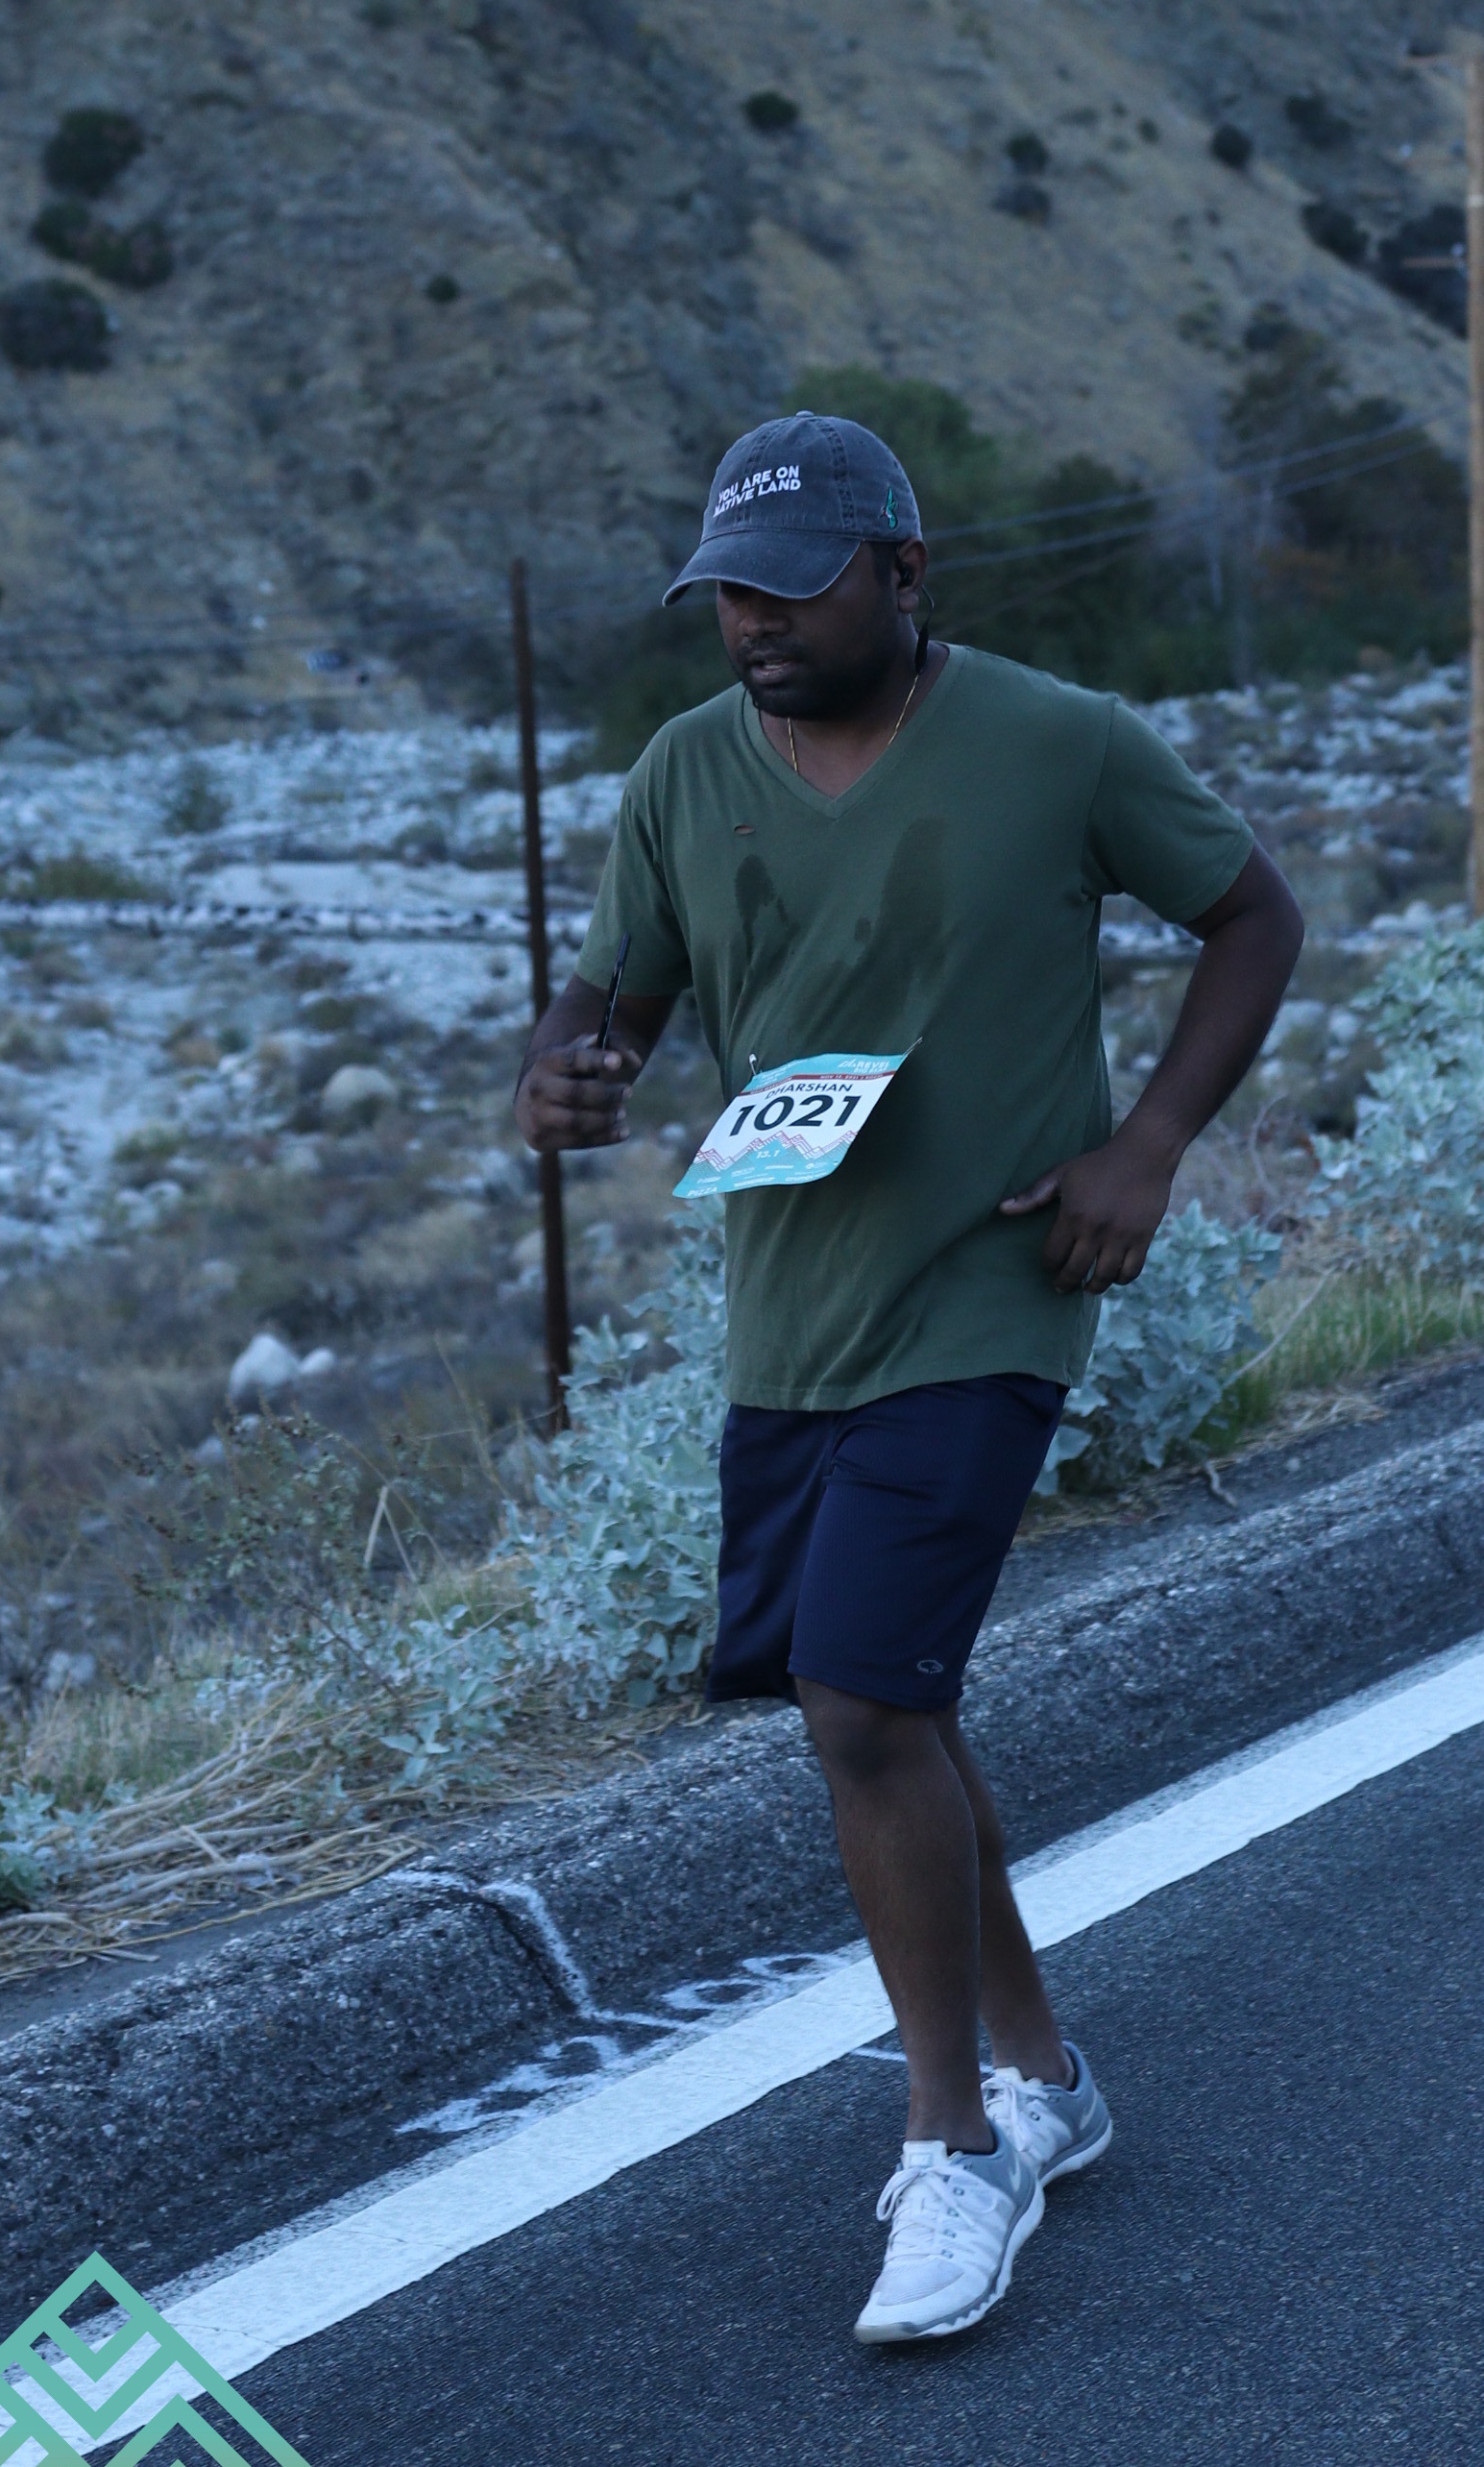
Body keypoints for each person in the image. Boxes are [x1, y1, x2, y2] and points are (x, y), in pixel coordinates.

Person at [514, 408, 1302, 2342]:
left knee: (859, 1697)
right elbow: (616, 991)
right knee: (895, 1712)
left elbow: (1250, 913)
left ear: (903, 570)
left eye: (796, 588)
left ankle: (953, 2146)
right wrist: (567, 1068)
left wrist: (1148, 1144)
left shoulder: (1058, 739)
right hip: (793, 1315)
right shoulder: (683, 771)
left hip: (993, 1284)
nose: (756, 625)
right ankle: (1044, 2072)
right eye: (728, 595)